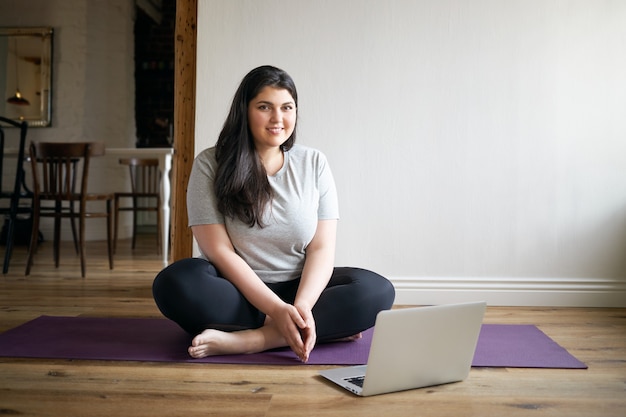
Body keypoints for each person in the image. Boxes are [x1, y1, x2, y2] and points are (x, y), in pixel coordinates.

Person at [152, 65, 395, 362]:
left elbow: (321, 248)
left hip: (296, 287)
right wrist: (277, 309)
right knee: (174, 283)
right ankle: (316, 328)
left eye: (287, 107)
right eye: (265, 107)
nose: (278, 118)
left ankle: (254, 340)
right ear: (245, 111)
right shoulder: (210, 164)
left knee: (377, 291)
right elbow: (219, 252)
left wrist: (301, 307)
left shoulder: (314, 162)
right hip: (235, 289)